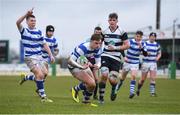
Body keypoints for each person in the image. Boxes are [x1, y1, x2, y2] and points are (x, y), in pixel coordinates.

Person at [16, 8, 55, 102]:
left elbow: (44, 44)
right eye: (31, 20)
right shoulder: (24, 30)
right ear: (27, 21)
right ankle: (43, 97)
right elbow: (17, 22)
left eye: (34, 21)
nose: (33, 22)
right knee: (40, 75)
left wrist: (51, 55)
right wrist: (26, 14)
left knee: (44, 74)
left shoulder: (39, 32)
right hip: (29, 57)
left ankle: (26, 77)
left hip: (39, 57)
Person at [98, 12, 129, 103]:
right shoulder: (104, 32)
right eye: (110, 20)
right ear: (108, 21)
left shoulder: (122, 32)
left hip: (116, 58)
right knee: (104, 75)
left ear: (117, 21)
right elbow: (99, 43)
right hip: (105, 56)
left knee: (112, 80)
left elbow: (127, 45)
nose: (112, 22)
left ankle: (114, 87)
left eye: (114, 20)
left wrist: (116, 48)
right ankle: (101, 98)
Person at [67, 34, 102, 106]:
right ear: (91, 41)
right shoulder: (84, 48)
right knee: (91, 83)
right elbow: (70, 61)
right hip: (74, 66)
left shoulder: (97, 48)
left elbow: (99, 61)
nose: (98, 45)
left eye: (99, 43)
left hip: (82, 64)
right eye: (96, 43)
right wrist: (80, 66)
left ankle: (85, 100)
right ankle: (79, 93)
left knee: (93, 84)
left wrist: (97, 66)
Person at [115, 31, 148, 99]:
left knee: (133, 76)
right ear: (135, 36)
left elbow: (145, 54)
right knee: (122, 78)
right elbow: (122, 48)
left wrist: (141, 48)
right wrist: (125, 57)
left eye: (140, 37)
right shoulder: (130, 41)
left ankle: (131, 92)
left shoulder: (143, 43)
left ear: (141, 37)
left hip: (135, 62)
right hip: (127, 61)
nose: (138, 38)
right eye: (137, 36)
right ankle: (117, 87)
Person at [136, 32, 161, 97]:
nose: (152, 38)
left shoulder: (157, 45)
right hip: (145, 63)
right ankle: (138, 90)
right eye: (151, 36)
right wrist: (146, 53)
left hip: (153, 63)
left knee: (152, 78)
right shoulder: (145, 43)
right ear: (149, 37)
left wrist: (157, 58)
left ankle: (152, 93)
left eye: (154, 37)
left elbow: (159, 53)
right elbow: (141, 52)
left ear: (155, 38)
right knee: (142, 79)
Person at [86, 26, 104, 100]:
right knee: (88, 78)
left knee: (96, 79)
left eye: (99, 33)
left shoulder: (102, 41)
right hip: (88, 60)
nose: (98, 34)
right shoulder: (89, 40)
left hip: (96, 60)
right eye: (96, 32)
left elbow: (100, 51)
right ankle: (84, 92)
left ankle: (95, 94)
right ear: (94, 32)